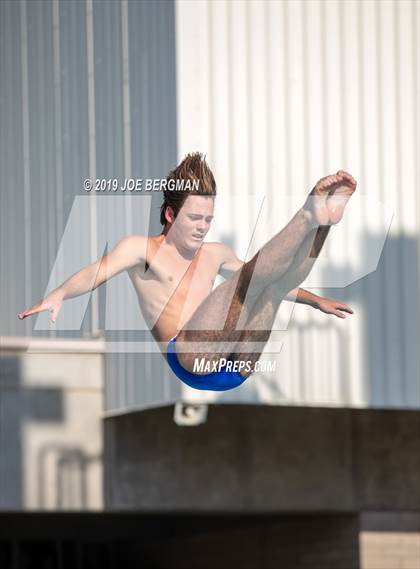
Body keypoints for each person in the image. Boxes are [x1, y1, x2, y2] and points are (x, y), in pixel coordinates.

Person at [18, 153, 356, 391]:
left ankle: (322, 223)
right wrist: (59, 293)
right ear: (169, 215)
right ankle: (307, 213)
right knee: (249, 280)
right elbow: (97, 272)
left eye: (208, 219)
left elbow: (269, 275)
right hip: (189, 358)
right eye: (194, 218)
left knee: (272, 285)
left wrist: (316, 302)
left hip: (235, 369)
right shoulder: (142, 251)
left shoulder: (214, 254)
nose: (203, 227)